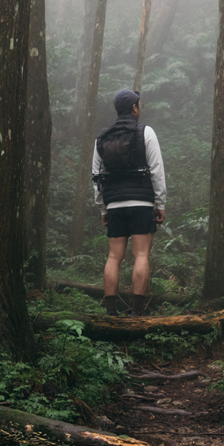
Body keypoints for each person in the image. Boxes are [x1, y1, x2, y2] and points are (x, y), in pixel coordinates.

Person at [92, 89, 166, 317]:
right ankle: (136, 312)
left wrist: (103, 207)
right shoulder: (146, 132)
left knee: (113, 256)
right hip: (141, 202)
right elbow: (156, 170)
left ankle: (111, 311)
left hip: (114, 204)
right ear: (135, 108)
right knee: (141, 255)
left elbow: (96, 175)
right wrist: (160, 203)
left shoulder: (102, 138)